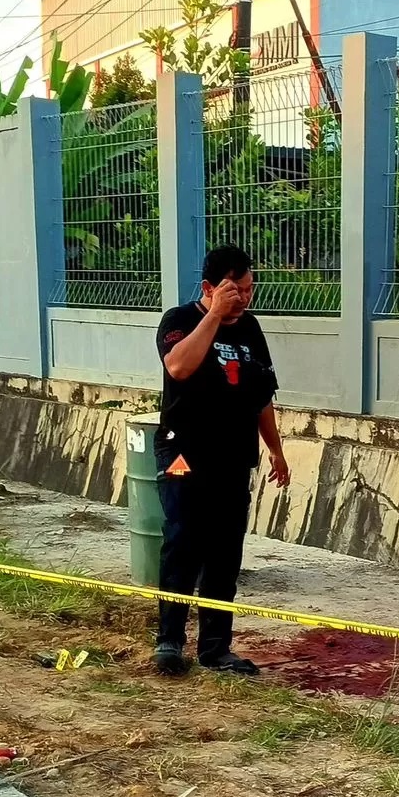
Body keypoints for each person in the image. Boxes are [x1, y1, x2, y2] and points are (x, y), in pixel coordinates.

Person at [152, 243, 290, 678]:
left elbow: (260, 398)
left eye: (249, 290)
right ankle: (170, 640)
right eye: (235, 290)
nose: (244, 299)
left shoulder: (251, 329)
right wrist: (213, 316)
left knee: (225, 553)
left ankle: (215, 648)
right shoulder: (179, 321)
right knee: (182, 543)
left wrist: (276, 449)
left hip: (233, 457)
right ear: (209, 287)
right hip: (183, 453)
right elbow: (178, 368)